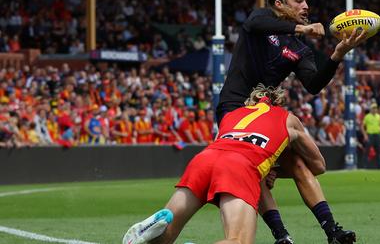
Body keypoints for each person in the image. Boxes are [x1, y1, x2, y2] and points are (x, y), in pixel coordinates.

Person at [216, 0, 364, 244]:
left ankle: (333, 231)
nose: (306, 5)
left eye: (306, 1)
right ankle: (282, 236)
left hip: (263, 113)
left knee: (298, 163)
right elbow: (254, 24)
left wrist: (337, 55)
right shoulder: (262, 18)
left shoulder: (299, 48)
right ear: (279, 4)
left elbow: (314, 85)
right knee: (252, 169)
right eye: (299, 1)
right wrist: (302, 28)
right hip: (235, 106)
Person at [122, 85, 326, 244]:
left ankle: (144, 236)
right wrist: (272, 168)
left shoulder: (231, 116)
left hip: (204, 160)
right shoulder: (287, 117)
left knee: (167, 232)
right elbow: (318, 166)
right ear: (276, 104)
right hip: (239, 167)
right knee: (238, 240)